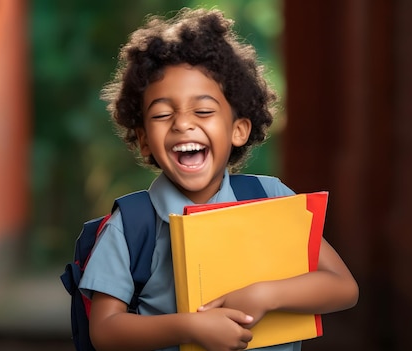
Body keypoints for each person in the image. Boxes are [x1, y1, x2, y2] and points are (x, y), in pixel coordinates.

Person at [78, 7, 358, 351]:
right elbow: (105, 331)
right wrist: (190, 328)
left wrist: (266, 294)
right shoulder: (132, 225)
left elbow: (343, 288)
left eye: (204, 111)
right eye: (163, 114)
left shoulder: (271, 197)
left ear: (238, 129)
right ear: (144, 140)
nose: (182, 124)